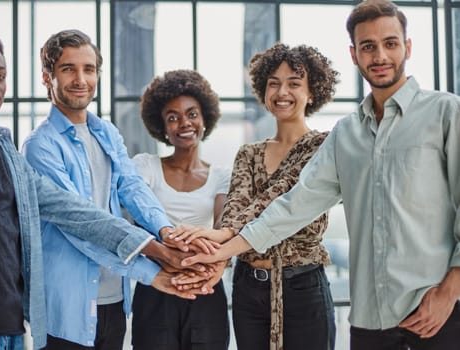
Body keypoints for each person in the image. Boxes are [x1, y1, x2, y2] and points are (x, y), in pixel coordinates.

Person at [181, 1, 460, 349]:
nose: (380, 56)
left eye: (390, 43)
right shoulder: (346, 134)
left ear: (408, 46)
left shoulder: (446, 113)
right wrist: (222, 251)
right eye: (368, 46)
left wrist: (451, 291)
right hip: (371, 319)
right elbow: (294, 205)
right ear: (354, 54)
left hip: (439, 309)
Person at [0, 29, 204, 350]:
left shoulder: (5, 151)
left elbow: (78, 210)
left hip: (9, 329)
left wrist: (162, 239)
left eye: (0, 75)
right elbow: (76, 225)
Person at [22, 30, 212, 350]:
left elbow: (132, 187)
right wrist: (154, 262)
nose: (81, 79)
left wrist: (168, 233)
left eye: (89, 68)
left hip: (114, 300)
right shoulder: (40, 147)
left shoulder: (106, 131)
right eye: (68, 69)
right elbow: (83, 221)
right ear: (47, 77)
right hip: (67, 308)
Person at [172, 44, 339, 350]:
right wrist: (219, 241)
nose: (281, 91)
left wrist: (222, 237)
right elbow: (237, 203)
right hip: (249, 288)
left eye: (294, 83)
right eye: (273, 83)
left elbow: (279, 199)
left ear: (313, 92)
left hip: (302, 287)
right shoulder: (249, 153)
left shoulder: (324, 147)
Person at [131, 69, 231, 350]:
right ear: (162, 127)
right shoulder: (146, 166)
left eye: (192, 114)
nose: (184, 123)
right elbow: (139, 221)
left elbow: (222, 230)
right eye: (172, 117)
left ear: (204, 118)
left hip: (204, 285)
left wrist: (196, 263)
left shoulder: (222, 176)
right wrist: (172, 256)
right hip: (156, 286)